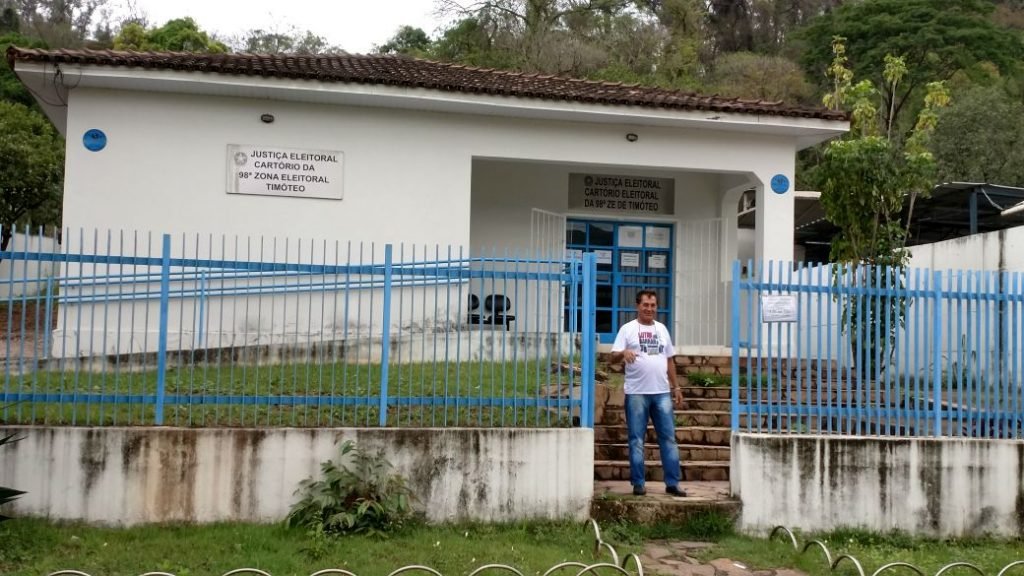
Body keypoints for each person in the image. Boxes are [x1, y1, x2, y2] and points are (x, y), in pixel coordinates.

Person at [609, 289, 685, 497]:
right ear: (638, 306)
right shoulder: (628, 329)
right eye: (645, 305)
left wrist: (676, 386)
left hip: (661, 393)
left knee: (668, 438)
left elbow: (669, 360)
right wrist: (623, 353)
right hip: (636, 394)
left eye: (653, 305)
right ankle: (638, 483)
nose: (649, 309)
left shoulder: (662, 330)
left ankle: (672, 483)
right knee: (636, 440)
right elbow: (612, 358)